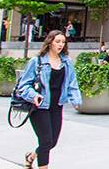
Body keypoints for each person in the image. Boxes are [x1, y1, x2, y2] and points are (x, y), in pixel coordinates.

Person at [16, 30, 82, 169]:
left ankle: (31, 156)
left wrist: (76, 100)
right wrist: (34, 95)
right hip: (39, 106)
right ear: (50, 42)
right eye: (57, 41)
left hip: (57, 106)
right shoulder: (37, 61)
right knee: (46, 141)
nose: (61, 45)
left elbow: (72, 82)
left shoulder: (66, 62)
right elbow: (23, 85)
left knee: (52, 142)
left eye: (63, 42)